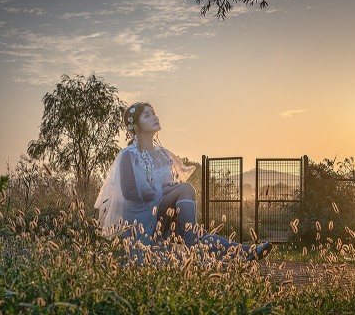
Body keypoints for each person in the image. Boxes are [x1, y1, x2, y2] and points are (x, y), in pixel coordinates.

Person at [94, 102, 272, 261]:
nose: (154, 116)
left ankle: (246, 252)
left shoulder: (163, 154)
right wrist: (161, 190)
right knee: (186, 190)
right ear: (135, 125)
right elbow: (129, 192)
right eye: (146, 115)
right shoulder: (129, 155)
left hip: (163, 215)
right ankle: (196, 248)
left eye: (154, 112)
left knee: (192, 230)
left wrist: (168, 188)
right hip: (141, 221)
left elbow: (166, 188)